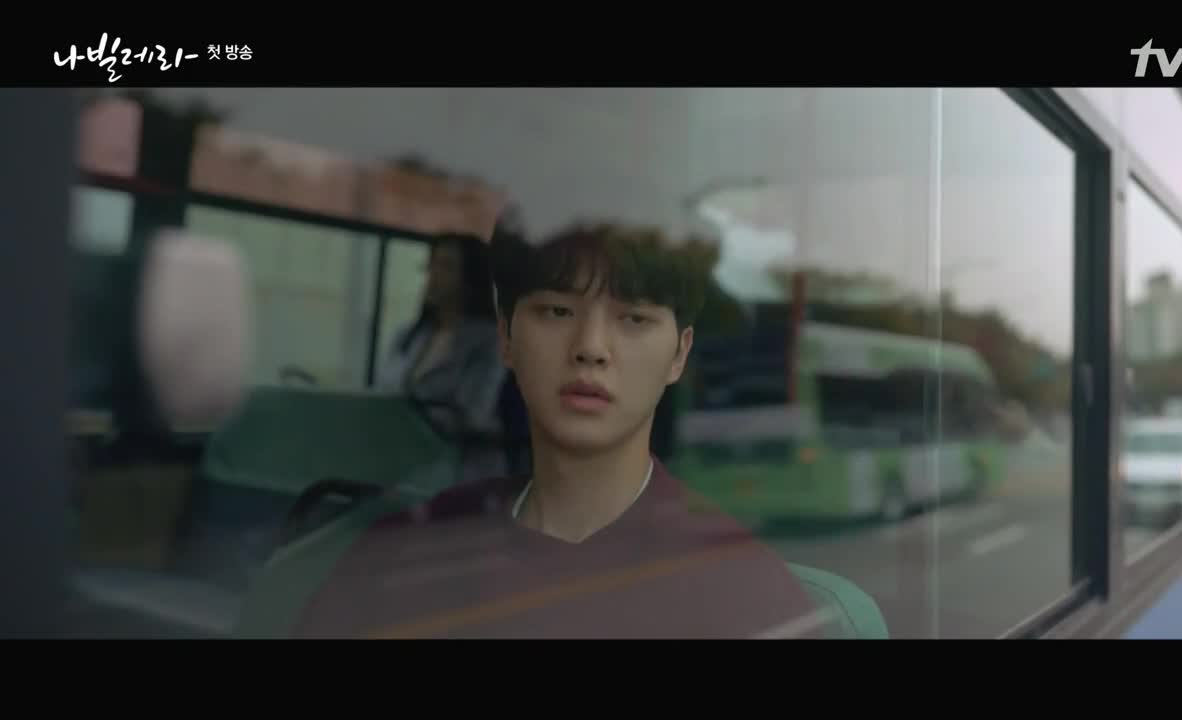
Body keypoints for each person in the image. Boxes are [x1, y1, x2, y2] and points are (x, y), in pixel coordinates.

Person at [243, 222, 823, 638]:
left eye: (633, 319)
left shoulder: (748, 596)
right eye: (557, 311)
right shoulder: (395, 557)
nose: (591, 348)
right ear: (506, 336)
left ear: (679, 355)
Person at [375, 233, 505, 434]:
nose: (433, 275)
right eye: (431, 265)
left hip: (454, 449)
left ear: (470, 278)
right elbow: (382, 391)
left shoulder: (489, 342)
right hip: (398, 441)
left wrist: (409, 419)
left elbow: (473, 413)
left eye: (446, 266)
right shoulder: (409, 335)